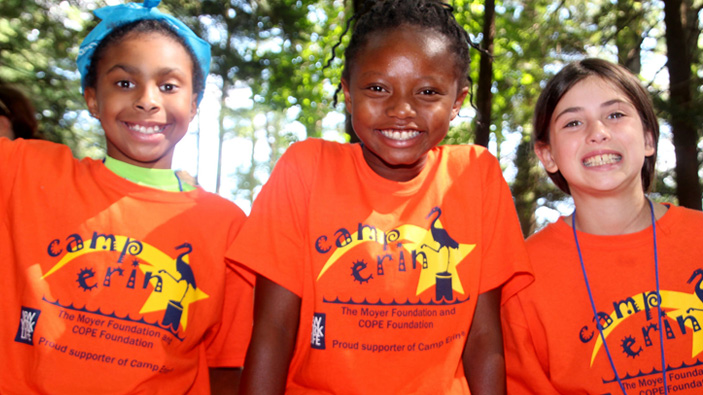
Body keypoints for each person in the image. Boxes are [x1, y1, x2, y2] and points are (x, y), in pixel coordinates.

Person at [227, 1, 532, 393]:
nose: (401, 109)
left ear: (457, 101)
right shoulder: (307, 169)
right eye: (377, 88)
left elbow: (484, 339)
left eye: (427, 91)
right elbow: (274, 328)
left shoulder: (475, 176)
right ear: (348, 93)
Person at [0, 1, 253, 393]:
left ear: (194, 103)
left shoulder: (228, 225)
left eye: (169, 86)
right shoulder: (23, 171)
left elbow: (228, 365)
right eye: (123, 83)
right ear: (92, 99)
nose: (147, 100)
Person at [502, 58, 703, 394]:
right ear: (547, 155)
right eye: (573, 123)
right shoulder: (524, 277)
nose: (598, 133)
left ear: (649, 138)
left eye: (615, 115)